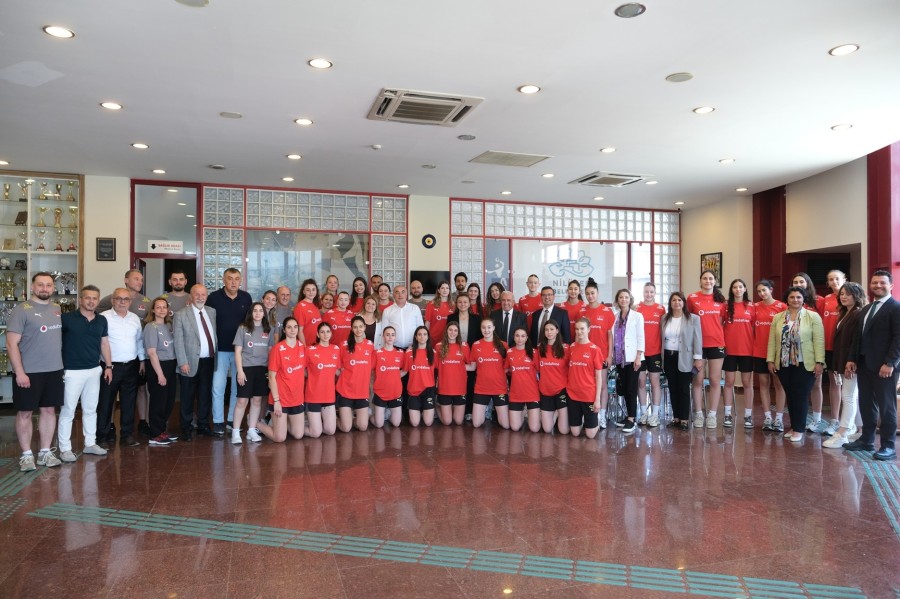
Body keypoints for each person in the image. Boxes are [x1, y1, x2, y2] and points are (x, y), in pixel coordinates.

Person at [7, 272, 65, 471]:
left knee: (49, 411)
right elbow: (11, 344)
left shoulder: (56, 308)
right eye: (40, 285)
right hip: (29, 372)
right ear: (32, 287)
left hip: (54, 370)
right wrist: (20, 372)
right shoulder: (21, 310)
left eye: (48, 285)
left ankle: (45, 452)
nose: (44, 288)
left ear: (53, 288)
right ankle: (26, 455)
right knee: (25, 413)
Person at [844, 270, 900, 460]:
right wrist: (852, 358)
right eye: (875, 282)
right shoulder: (867, 308)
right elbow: (858, 337)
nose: (878, 285)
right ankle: (867, 440)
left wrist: (890, 362)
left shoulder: (896, 307)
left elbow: (898, 338)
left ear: (891, 285)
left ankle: (888, 446)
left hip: (885, 367)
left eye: (882, 283)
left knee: (887, 407)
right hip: (864, 364)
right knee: (866, 404)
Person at [58, 284, 112, 461]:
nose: (91, 301)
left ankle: (90, 443)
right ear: (80, 300)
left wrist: (109, 366)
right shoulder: (66, 319)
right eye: (87, 297)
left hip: (94, 370)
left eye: (94, 298)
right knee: (68, 410)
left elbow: (104, 344)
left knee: (90, 409)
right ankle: (65, 449)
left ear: (98, 300)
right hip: (72, 371)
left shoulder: (102, 320)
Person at [767, 286, 825, 443]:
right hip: (784, 363)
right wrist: (770, 360)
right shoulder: (778, 317)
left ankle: (799, 429)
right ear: (787, 299)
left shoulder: (813, 317)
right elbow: (772, 340)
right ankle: (794, 427)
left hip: (805, 363)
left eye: (799, 297)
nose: (795, 300)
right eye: (792, 297)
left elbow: (819, 341)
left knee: (800, 395)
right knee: (790, 395)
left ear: (803, 299)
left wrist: (820, 362)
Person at [206, 267, 253, 437]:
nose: (233, 282)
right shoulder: (213, 298)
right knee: (218, 386)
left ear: (241, 280)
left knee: (237, 387)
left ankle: (233, 420)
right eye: (229, 278)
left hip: (240, 351)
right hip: (220, 350)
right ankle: (218, 421)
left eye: (236, 279)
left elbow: (250, 323)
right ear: (223, 280)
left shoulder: (246, 297)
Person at [97, 287, 146, 448]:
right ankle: (102, 437)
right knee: (106, 402)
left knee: (128, 402)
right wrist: (106, 365)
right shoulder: (103, 318)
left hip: (131, 366)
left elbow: (139, 341)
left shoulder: (134, 318)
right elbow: (99, 343)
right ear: (112, 300)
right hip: (110, 367)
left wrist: (142, 360)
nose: (122, 302)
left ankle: (127, 435)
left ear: (130, 302)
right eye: (119, 298)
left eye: (126, 299)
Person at [822, 282, 865, 449]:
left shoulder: (858, 313)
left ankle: (842, 433)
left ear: (856, 295)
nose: (844, 297)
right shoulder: (845, 312)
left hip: (851, 362)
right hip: (843, 359)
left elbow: (856, 341)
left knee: (848, 396)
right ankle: (859, 430)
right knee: (853, 396)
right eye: (842, 294)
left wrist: (851, 361)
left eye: (848, 294)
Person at [173, 284, 217, 441]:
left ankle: (203, 425)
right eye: (197, 294)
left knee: (205, 395)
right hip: (189, 362)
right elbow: (178, 341)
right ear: (190, 296)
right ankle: (186, 428)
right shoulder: (181, 314)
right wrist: (182, 362)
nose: (200, 297)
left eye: (203, 294)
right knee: (187, 396)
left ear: (207, 296)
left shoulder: (211, 312)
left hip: (208, 361)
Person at [256, 316, 306, 442]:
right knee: (279, 438)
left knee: (298, 434)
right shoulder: (278, 349)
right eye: (289, 327)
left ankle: (280, 423)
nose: (293, 330)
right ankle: (255, 423)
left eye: (295, 327)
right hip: (280, 399)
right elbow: (271, 377)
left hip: (296, 399)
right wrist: (276, 401)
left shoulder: (302, 347)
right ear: (284, 330)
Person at [687, 270, 726, 429]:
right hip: (698, 345)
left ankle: (712, 415)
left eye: (711, 278)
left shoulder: (721, 300)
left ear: (714, 281)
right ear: (700, 280)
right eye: (705, 278)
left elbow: (721, 322)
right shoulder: (692, 298)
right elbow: (688, 320)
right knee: (698, 380)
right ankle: (698, 414)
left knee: (715, 380)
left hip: (717, 343)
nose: (708, 281)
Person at [232, 302, 275, 444]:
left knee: (257, 401)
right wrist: (240, 371)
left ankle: (251, 429)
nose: (258, 313)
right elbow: (238, 351)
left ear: (264, 313)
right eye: (255, 310)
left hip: (262, 369)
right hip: (246, 368)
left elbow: (270, 351)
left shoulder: (268, 329)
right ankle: (235, 431)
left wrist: (270, 372)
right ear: (251, 313)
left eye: (260, 311)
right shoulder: (243, 328)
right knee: (242, 401)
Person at [660, 292, 703, 430]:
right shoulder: (664, 318)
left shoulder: (692, 318)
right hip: (668, 356)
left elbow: (697, 338)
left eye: (679, 300)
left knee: (684, 388)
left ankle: (684, 419)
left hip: (685, 357)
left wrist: (698, 358)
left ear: (684, 302)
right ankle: (676, 418)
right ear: (670, 303)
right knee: (672, 388)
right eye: (674, 300)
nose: (676, 302)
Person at [791, 272, 826, 433]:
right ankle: (800, 421)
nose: (798, 284)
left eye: (801, 281)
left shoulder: (819, 301)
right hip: (796, 353)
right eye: (795, 282)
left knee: (816, 385)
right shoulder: (792, 302)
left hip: (814, 349)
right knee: (799, 388)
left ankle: (817, 419)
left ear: (808, 283)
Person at [752, 280, 788, 432]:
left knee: (779, 384)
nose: (762, 293)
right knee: (763, 383)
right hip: (759, 351)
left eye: (764, 290)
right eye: (759, 291)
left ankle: (779, 418)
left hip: (777, 352)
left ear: (771, 289)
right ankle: (767, 417)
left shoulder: (782, 307)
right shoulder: (755, 307)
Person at [143, 297, 178, 446]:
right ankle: (155, 434)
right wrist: (160, 374)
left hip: (170, 365)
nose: (162, 310)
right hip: (158, 366)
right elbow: (151, 353)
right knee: (158, 401)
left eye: (164, 307)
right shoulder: (151, 327)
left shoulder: (168, 325)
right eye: (158, 307)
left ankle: (162, 430)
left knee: (168, 400)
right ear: (153, 310)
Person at [722, 279, 755, 429]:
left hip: (747, 350)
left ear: (745, 289)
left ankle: (748, 415)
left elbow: (755, 328)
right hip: (729, 350)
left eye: (740, 286)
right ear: (732, 290)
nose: (738, 289)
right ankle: (727, 414)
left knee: (747, 383)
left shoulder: (751, 306)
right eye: (735, 287)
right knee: (729, 382)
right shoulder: (725, 306)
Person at [581, 277, 614, 427]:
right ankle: (588, 415)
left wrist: (609, 355)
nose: (590, 296)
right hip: (585, 356)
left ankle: (602, 415)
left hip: (602, 355)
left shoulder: (607, 311)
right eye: (587, 293)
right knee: (588, 385)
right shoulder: (582, 311)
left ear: (597, 293)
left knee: (602, 386)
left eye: (592, 293)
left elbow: (610, 335)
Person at [611, 289, 644, 433]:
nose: (623, 300)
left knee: (631, 388)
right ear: (617, 300)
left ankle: (632, 418)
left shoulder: (637, 316)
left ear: (630, 299)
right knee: (624, 388)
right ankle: (628, 416)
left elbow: (641, 336)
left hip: (632, 358)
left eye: (626, 297)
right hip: (619, 358)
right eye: (621, 297)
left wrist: (638, 357)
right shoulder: (615, 316)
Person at [566, 318, 605, 438]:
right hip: (573, 394)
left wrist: (597, 400)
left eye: (582, 328)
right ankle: (583, 420)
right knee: (575, 433)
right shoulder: (572, 347)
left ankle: (595, 419)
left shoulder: (595, 350)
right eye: (577, 329)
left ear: (588, 329)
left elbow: (599, 376)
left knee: (590, 435)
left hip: (588, 394)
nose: (579, 332)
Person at [336, 316, 375, 432]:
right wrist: (343, 377)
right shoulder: (343, 345)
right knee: (346, 428)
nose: (358, 330)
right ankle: (333, 420)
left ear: (365, 327)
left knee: (363, 426)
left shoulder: (370, 345)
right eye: (355, 327)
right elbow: (336, 366)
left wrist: (370, 385)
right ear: (352, 329)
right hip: (345, 390)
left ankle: (349, 419)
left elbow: (371, 368)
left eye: (361, 327)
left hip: (361, 392)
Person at [821, 269, 847, 435]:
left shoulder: (850, 298)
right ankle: (835, 420)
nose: (834, 282)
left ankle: (851, 422)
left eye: (837, 278)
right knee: (834, 383)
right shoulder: (826, 299)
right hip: (829, 348)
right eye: (831, 279)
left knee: (850, 386)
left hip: (845, 348)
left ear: (844, 279)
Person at [470, 318, 509, 429]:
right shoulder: (476, 345)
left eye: (489, 327)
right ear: (480, 329)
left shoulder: (503, 345)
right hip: (482, 388)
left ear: (493, 328)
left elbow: (508, 367)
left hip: (499, 388)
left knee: (505, 425)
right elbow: (472, 367)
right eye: (483, 327)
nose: (486, 330)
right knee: (476, 424)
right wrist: (452, 364)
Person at [636, 282, 665, 427]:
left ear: (655, 293)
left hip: (655, 352)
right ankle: (643, 413)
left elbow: (663, 331)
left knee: (655, 383)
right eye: (646, 291)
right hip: (640, 353)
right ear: (643, 292)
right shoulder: (636, 308)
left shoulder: (661, 309)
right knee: (641, 383)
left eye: (651, 292)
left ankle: (655, 414)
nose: (649, 294)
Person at [305, 321, 340, 437]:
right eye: (322, 332)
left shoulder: (336, 349)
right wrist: (313, 375)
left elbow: (337, 370)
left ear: (331, 333)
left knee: (330, 431)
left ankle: (313, 423)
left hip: (328, 395)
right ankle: (294, 426)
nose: (325, 334)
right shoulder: (310, 350)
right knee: (316, 433)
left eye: (328, 332)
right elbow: (302, 370)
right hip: (313, 395)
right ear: (318, 334)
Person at [535, 320, 570, 434]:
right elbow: (536, 369)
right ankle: (555, 412)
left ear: (557, 331)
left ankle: (559, 411)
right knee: (547, 429)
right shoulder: (540, 348)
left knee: (564, 431)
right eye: (546, 330)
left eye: (551, 329)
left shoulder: (566, 348)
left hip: (561, 390)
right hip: (545, 390)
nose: (549, 332)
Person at [506, 327, 541, 432]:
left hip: (532, 393)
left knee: (534, 429)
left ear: (526, 338)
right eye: (517, 336)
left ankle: (540, 414)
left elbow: (540, 371)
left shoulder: (534, 352)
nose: (520, 339)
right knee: (515, 428)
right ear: (513, 337)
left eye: (522, 336)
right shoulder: (509, 352)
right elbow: (506, 370)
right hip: (516, 393)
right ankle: (523, 411)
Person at [435, 322, 470, 426]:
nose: (452, 332)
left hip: (459, 387)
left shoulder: (464, 346)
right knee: (447, 422)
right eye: (450, 330)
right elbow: (435, 366)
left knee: (458, 421)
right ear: (446, 331)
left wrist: (457, 366)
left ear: (458, 332)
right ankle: (436, 407)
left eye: (455, 330)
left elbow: (471, 366)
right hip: (444, 387)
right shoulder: (438, 346)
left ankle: (450, 410)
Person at [404, 326, 436, 427]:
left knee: (428, 422)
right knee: (415, 423)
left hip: (428, 390)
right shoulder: (409, 353)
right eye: (419, 334)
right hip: (414, 391)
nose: (422, 337)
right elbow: (404, 371)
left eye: (425, 334)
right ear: (416, 337)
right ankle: (418, 411)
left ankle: (433, 409)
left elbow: (441, 370)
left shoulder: (433, 353)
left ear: (428, 337)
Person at [372, 326, 404, 428]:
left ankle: (388, 413)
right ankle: (370, 416)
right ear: (383, 337)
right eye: (387, 335)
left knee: (396, 423)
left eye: (392, 335)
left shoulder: (400, 353)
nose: (390, 337)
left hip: (395, 392)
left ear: (395, 337)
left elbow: (404, 370)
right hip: (380, 392)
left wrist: (395, 376)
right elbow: (371, 371)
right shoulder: (377, 353)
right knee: (379, 424)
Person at [381, 285, 424, 350]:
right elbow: (384, 331)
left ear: (406, 294)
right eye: (397, 292)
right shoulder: (387, 311)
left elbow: (421, 328)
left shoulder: (415, 308)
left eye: (403, 292)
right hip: (394, 348)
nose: (400, 295)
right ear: (393, 295)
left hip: (413, 347)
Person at [292, 278, 321, 346]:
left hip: (316, 346)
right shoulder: (300, 307)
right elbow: (299, 331)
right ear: (304, 292)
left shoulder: (315, 306)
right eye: (308, 290)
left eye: (313, 289)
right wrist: (304, 347)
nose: (311, 292)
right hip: (307, 346)